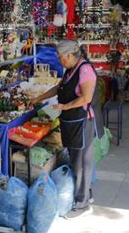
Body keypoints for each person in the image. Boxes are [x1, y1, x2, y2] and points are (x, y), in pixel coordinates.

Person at [31, 40, 103, 218]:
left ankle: (82, 205)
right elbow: (59, 88)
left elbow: (85, 98)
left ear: (69, 55)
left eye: (60, 57)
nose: (59, 60)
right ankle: (85, 194)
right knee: (75, 160)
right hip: (71, 121)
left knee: (81, 163)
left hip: (82, 122)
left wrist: (64, 107)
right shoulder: (71, 69)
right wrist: (40, 98)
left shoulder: (85, 70)